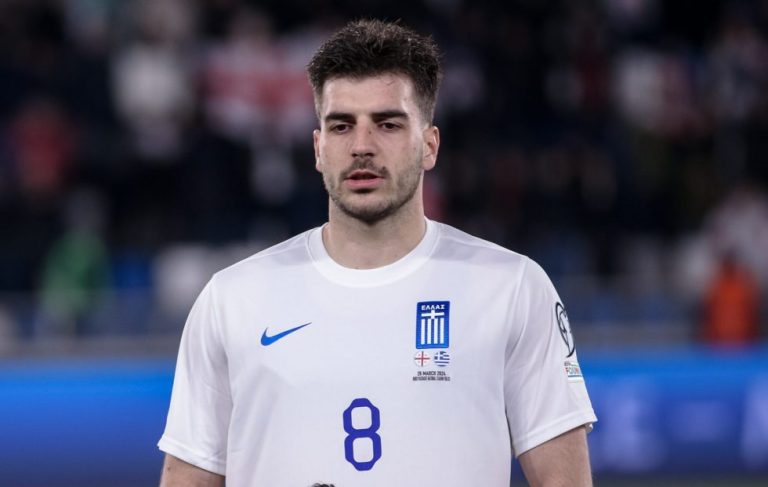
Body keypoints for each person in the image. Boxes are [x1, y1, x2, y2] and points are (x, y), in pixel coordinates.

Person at [158, 19, 596, 487]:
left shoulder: (511, 286)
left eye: (387, 124)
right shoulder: (233, 299)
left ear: (429, 145)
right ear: (318, 148)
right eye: (341, 126)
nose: (362, 146)